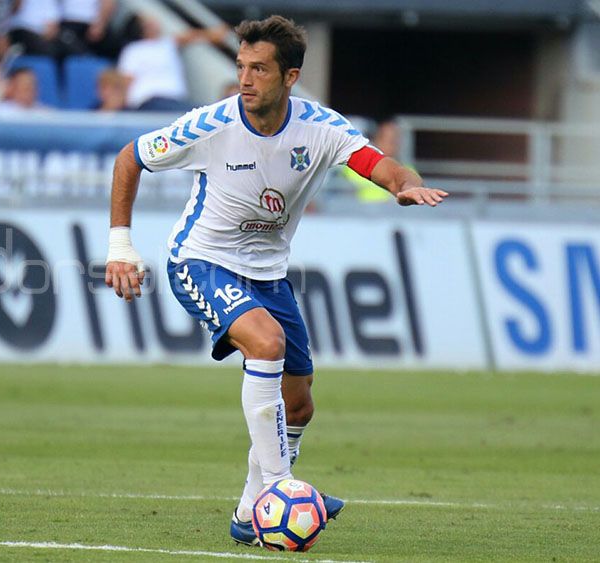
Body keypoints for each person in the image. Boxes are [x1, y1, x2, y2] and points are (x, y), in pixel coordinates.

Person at [103, 16, 448, 547]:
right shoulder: (211, 124)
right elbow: (131, 159)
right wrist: (120, 247)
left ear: (290, 77)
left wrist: (407, 186)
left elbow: (380, 166)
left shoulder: (322, 128)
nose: (245, 79)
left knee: (300, 401)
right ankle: (283, 488)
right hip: (200, 260)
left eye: (259, 69)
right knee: (266, 343)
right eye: (241, 66)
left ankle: (249, 510)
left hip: (268, 274)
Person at [117, 15, 228, 112]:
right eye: (149, 21)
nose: (155, 22)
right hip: (151, 102)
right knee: (203, 115)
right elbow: (125, 81)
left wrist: (214, 34)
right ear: (144, 27)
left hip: (175, 102)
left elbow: (190, 36)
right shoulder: (133, 50)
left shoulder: (166, 43)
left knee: (203, 113)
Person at [342, 118, 416, 202]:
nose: (395, 145)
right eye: (390, 141)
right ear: (378, 140)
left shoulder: (407, 168)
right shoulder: (356, 163)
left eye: (396, 140)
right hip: (359, 211)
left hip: (393, 212)